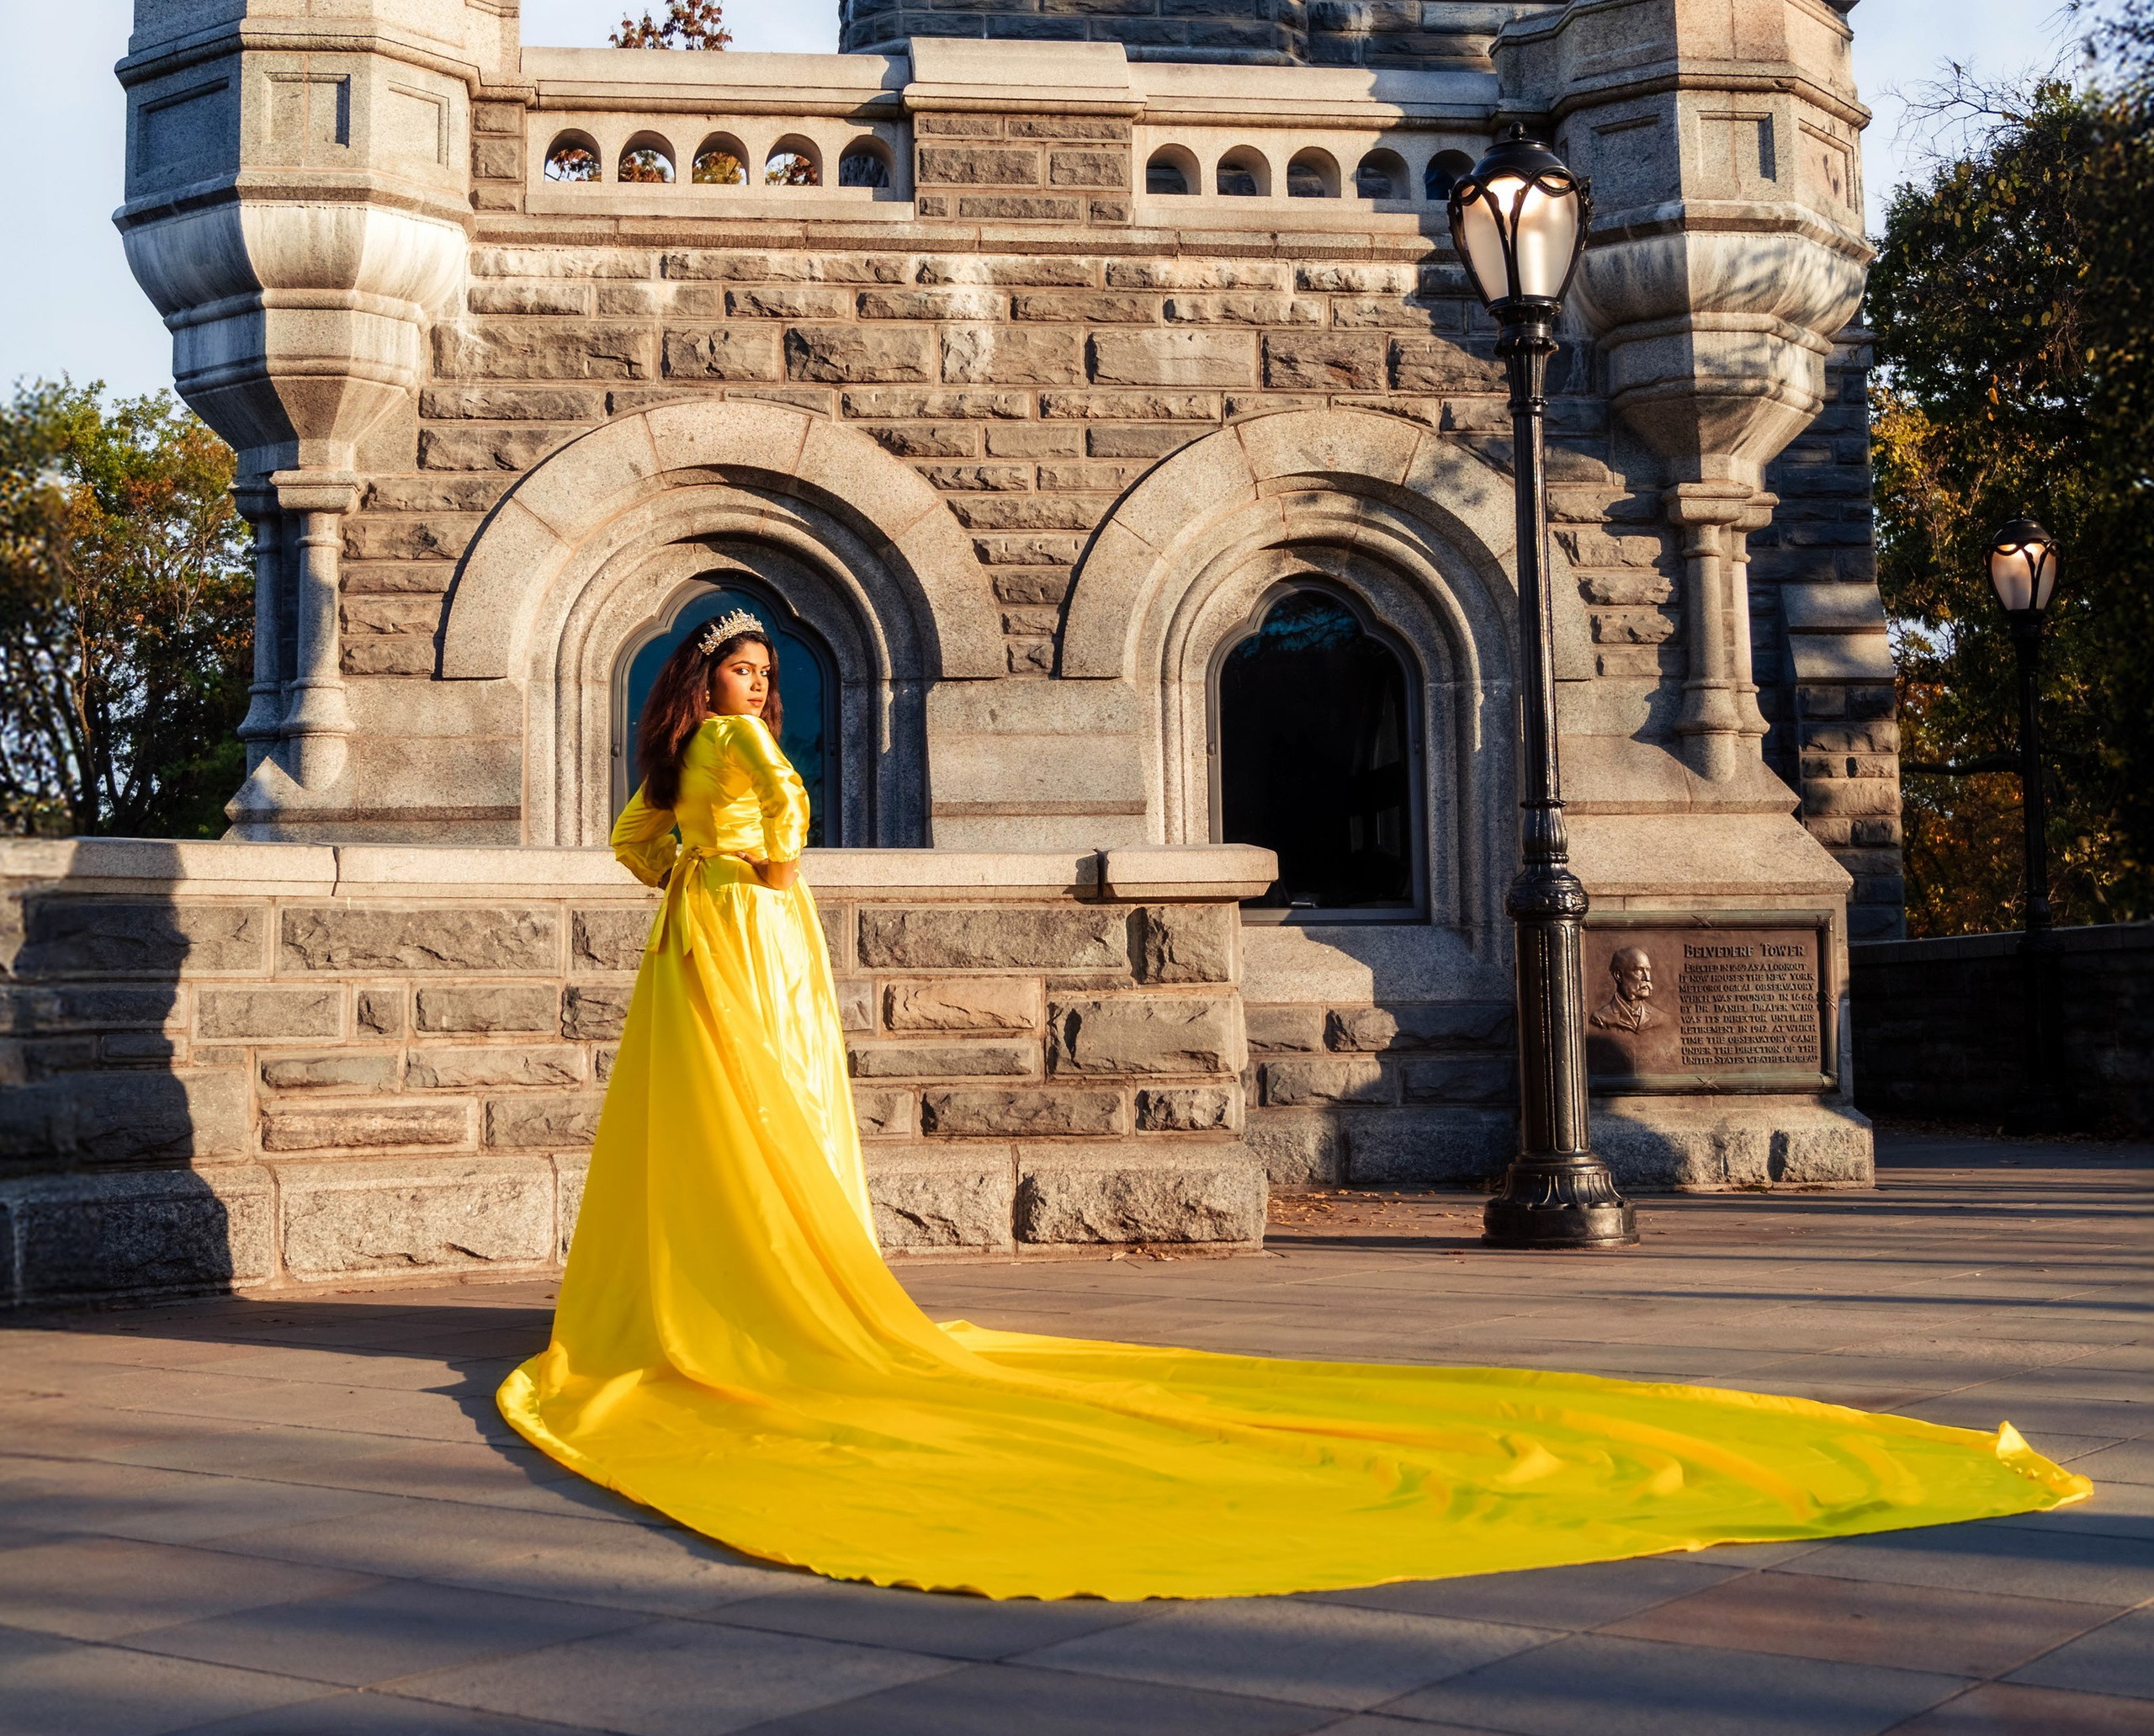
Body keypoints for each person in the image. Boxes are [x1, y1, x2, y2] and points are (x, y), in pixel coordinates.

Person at [499, 616, 2083, 1601]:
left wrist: (712, 857)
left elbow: (734, 852)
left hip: (735, 944)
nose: (757, 688)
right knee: (723, 1119)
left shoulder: (731, 760)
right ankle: (721, 1290)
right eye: (738, 671)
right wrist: (706, 836)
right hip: (720, 943)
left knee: (741, 1119)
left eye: (765, 672)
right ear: (697, 680)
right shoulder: (722, 757)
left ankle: (737, 1293)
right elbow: (710, 851)